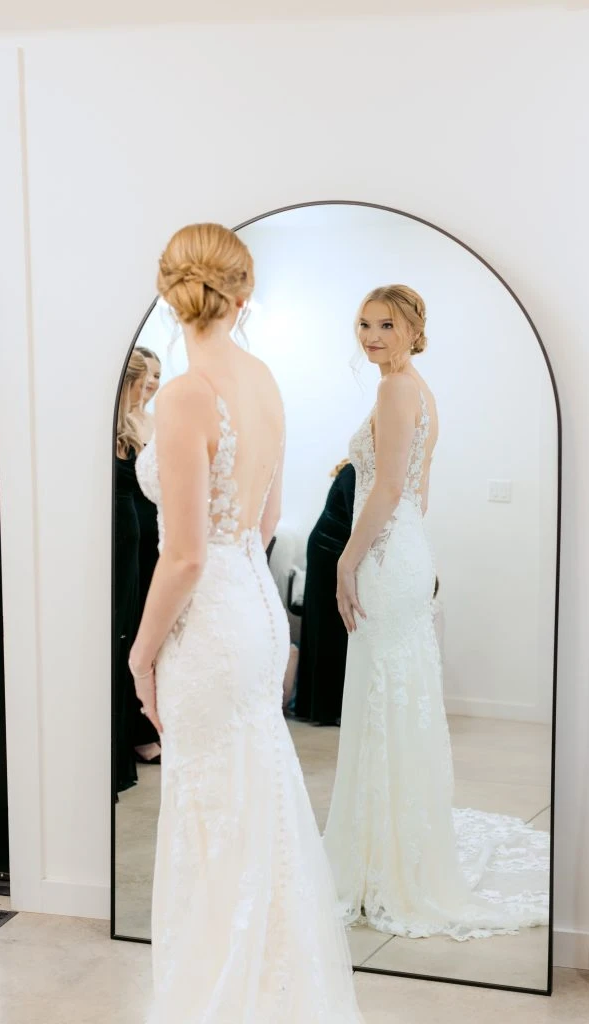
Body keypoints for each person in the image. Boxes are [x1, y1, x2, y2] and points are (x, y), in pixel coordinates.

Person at [129, 223, 363, 1022]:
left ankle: (219, 999)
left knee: (208, 813)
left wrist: (140, 651)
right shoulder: (262, 381)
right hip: (256, 606)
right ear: (243, 292)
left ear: (168, 289)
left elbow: (184, 556)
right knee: (252, 800)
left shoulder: (186, 394)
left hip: (212, 617)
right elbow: (261, 522)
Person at [323, 284, 548, 940]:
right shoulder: (414, 387)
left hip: (388, 559)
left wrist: (345, 561)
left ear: (412, 327)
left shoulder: (397, 389)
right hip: (406, 553)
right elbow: (414, 488)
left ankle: (386, 862)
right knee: (388, 702)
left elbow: (391, 487)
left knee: (382, 702)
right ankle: (389, 847)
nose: (370, 336)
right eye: (362, 323)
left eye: (384, 324)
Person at [293, 459, 356, 726]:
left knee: (333, 629)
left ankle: (321, 706)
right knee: (328, 629)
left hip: (337, 550)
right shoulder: (357, 470)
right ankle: (323, 708)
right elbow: (360, 518)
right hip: (327, 552)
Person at [113, 349, 148, 796]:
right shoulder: (105, 430)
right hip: (116, 552)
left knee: (127, 641)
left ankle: (121, 753)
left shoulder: (127, 430)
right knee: (117, 643)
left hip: (133, 552)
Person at [131, 346, 164, 764]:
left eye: (159, 375)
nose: (154, 382)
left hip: (158, 525)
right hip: (133, 526)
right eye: (148, 374)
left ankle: (152, 720)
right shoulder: (121, 423)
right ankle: (137, 730)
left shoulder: (157, 421)